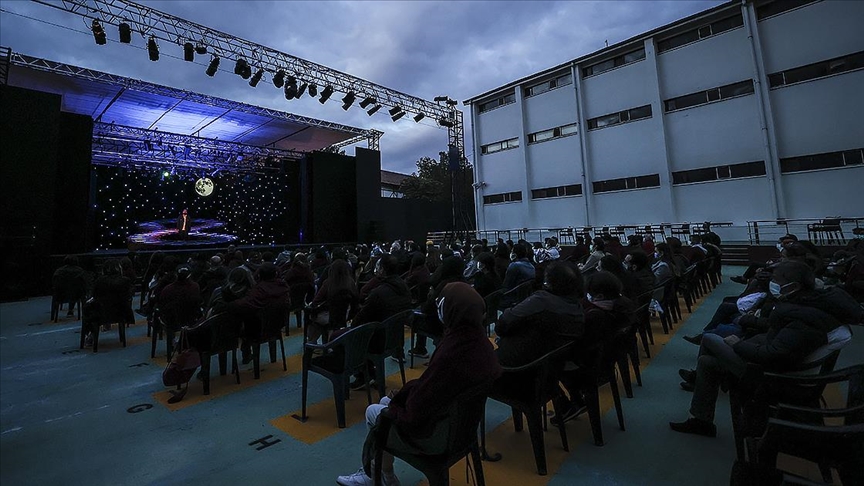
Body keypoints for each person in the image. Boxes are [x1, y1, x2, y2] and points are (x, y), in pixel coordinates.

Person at [670, 260, 863, 437]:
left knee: (709, 339)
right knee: (707, 362)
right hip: (777, 366)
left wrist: (738, 344)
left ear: (794, 286)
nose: (772, 284)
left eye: (775, 280)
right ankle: (702, 420)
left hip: (773, 377)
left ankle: (708, 393)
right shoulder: (812, 303)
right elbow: (780, 337)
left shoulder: (804, 318)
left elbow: (773, 356)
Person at [336, 282, 502, 486]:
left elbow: (418, 409)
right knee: (387, 400)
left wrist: (397, 405)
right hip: (464, 430)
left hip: (438, 437)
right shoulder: (480, 344)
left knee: (374, 411)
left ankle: (376, 474)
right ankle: (384, 474)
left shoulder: (452, 350)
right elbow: (435, 388)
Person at [495, 261, 585, 367]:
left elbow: (502, 325)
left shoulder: (541, 301)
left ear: (551, 282)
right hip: (546, 366)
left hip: (517, 363)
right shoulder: (578, 309)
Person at [306, 259, 359, 343]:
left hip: (329, 316)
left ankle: (311, 343)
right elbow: (355, 303)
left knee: (312, 319)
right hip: (344, 316)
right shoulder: (351, 283)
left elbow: (316, 302)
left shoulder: (328, 283)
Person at [84, 259, 134, 346]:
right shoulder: (125, 281)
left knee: (88, 309)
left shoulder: (99, 281)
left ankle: (90, 334)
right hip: (121, 312)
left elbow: (94, 296)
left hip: (101, 313)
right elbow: (128, 296)